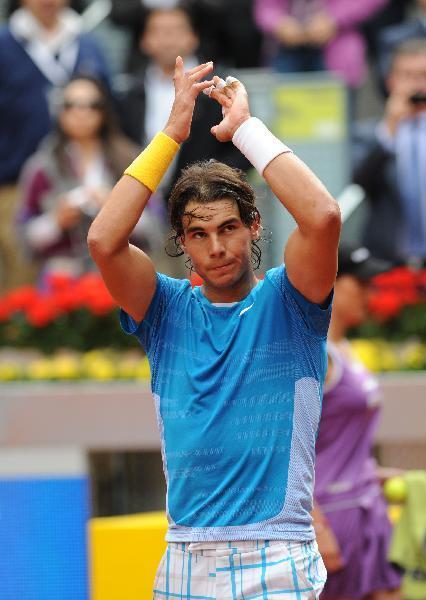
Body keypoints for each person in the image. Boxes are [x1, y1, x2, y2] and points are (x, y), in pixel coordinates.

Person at [88, 57, 341, 597]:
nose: (218, 246)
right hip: (184, 557)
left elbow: (322, 216)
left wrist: (245, 130)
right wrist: (172, 132)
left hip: (279, 555)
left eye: (229, 227)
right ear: (181, 242)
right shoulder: (165, 311)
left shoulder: (291, 301)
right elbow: (103, 242)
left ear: (255, 226)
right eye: (198, 234)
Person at [0, 0, 110, 290]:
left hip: (90, 168)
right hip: (15, 183)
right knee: (21, 287)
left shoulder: (87, 43)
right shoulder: (5, 43)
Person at [313, 244, 402, 599]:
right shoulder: (315, 353)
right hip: (332, 520)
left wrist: (373, 473)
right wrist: (316, 525)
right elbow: (280, 445)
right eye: (361, 284)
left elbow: (337, 440)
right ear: (331, 281)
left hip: (366, 509)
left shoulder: (344, 349)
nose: (371, 293)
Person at [114, 4, 250, 204]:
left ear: (194, 38)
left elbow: (243, 150)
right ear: (144, 41)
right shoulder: (128, 94)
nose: (168, 39)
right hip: (140, 203)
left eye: (176, 30)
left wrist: (210, 183)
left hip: (204, 203)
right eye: (158, 31)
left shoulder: (219, 87)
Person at [17, 76, 143, 282]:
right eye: (71, 105)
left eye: (92, 105)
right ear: (60, 112)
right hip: (62, 278)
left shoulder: (130, 160)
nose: (81, 113)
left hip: (123, 272)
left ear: (104, 110)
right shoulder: (42, 168)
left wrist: (117, 209)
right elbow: (23, 235)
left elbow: (156, 224)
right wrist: (56, 221)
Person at [353, 39, 426, 266]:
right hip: (388, 259)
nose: (417, 84)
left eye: (423, 75)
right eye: (407, 75)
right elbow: (360, 182)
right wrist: (390, 128)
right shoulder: (370, 133)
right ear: (391, 81)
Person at [254, 0, 388, 89]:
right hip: (285, 53)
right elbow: (265, 7)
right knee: (285, 119)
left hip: (337, 52)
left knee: (335, 123)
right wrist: (278, 23)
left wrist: (334, 19)